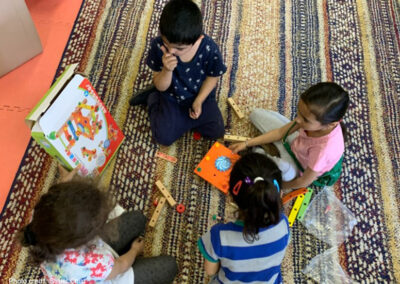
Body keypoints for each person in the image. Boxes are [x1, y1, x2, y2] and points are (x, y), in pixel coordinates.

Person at [18, 166, 178, 284]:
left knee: (138, 218)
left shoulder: (40, 217)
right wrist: (134, 251)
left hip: (83, 264)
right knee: (170, 266)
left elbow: (55, 200)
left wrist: (63, 183)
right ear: (86, 239)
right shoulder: (93, 262)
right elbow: (121, 265)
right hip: (109, 274)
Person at [129, 0, 226, 146]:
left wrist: (199, 101)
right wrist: (167, 70)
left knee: (216, 131)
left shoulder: (209, 49)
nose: (171, 52)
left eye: (179, 49)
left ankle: (182, 119)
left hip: (200, 96)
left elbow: (214, 76)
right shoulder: (158, 46)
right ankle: (152, 98)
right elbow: (162, 86)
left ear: (199, 39)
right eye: (167, 44)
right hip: (171, 96)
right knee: (163, 138)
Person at [230, 82, 350, 190]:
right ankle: (262, 151)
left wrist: (279, 186)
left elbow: (304, 182)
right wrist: (246, 143)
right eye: (299, 111)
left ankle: (259, 153)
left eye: (305, 119)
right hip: (296, 143)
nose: (297, 119)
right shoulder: (309, 121)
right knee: (256, 115)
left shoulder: (323, 151)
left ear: (330, 125)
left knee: (285, 170)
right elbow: (280, 133)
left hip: (298, 165)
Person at [197, 153, 290, 283]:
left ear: (230, 196)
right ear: (279, 194)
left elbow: (210, 271)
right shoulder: (284, 225)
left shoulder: (219, 236)